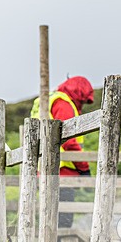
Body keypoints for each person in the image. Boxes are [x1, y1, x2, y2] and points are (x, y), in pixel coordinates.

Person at [31, 76, 94, 227]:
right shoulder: (64, 104)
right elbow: (69, 141)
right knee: (62, 223)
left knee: (49, 219)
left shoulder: (48, 100)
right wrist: (84, 168)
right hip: (62, 172)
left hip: (45, 169)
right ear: (79, 92)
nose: (82, 104)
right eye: (84, 100)